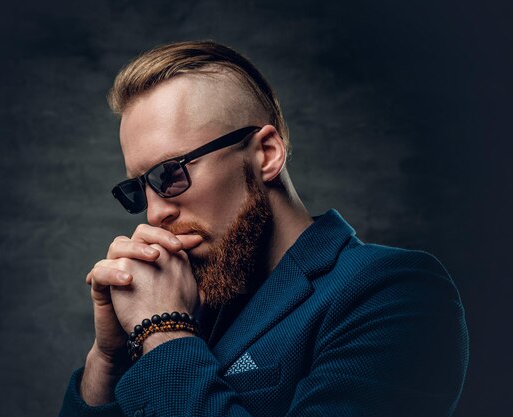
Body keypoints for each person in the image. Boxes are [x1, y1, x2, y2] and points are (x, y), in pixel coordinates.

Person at [59, 40, 469, 417]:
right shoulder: (181, 305)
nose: (154, 214)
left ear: (267, 155)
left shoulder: (394, 291)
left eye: (170, 174)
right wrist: (108, 359)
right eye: (139, 188)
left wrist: (164, 331)